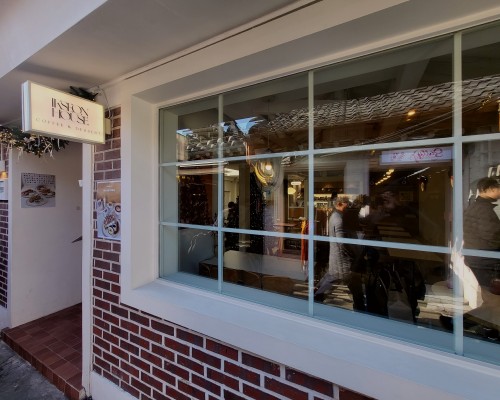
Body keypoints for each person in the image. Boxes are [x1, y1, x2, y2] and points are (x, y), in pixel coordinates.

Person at [314, 196, 353, 301]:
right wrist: (348, 252)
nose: (348, 206)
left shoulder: (334, 216)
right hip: (339, 255)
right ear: (340, 204)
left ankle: (317, 290)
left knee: (331, 274)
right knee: (336, 276)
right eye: (346, 204)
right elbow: (341, 240)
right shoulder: (338, 218)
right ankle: (318, 293)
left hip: (335, 252)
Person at [463, 177, 500, 286]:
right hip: (485, 261)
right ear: (491, 189)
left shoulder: (474, 207)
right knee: (488, 291)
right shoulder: (484, 210)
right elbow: (492, 237)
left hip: (476, 258)